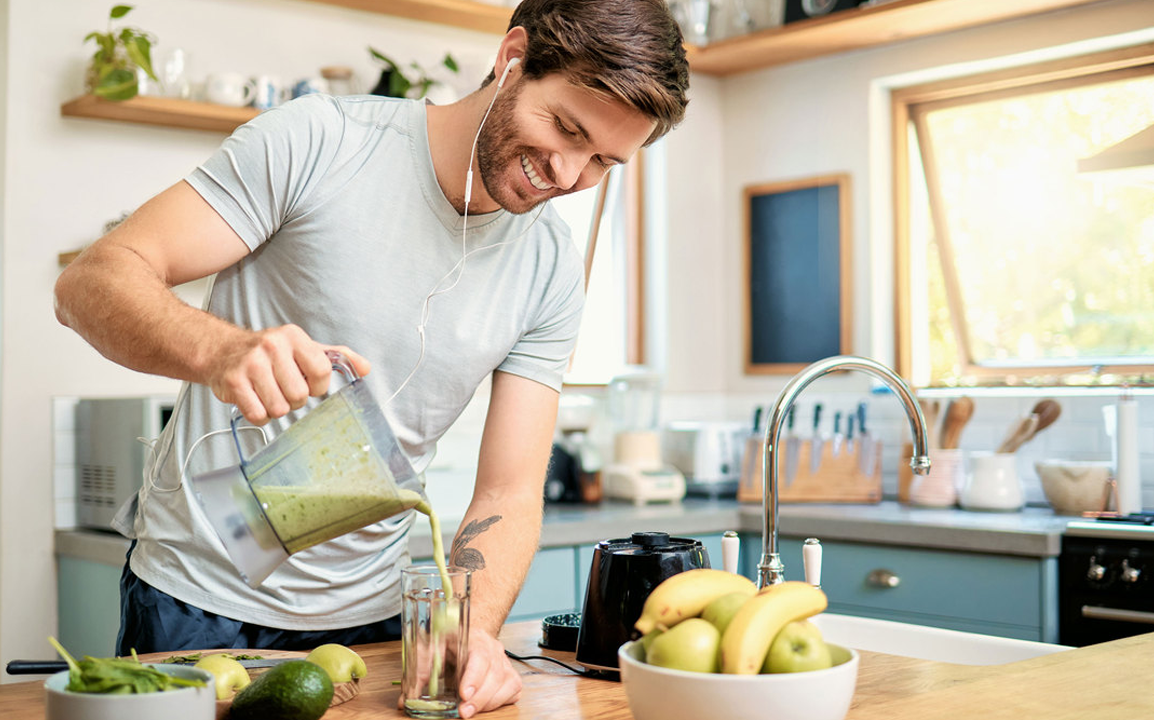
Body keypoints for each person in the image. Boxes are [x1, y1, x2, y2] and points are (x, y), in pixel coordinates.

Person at [53, 0, 689, 715]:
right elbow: (90, 283)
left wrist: (468, 633)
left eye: (604, 160)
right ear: (513, 56)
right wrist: (219, 348)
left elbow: (509, 492)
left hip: (378, 625)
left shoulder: (548, 267)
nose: (568, 174)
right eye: (567, 127)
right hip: (197, 606)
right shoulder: (322, 141)